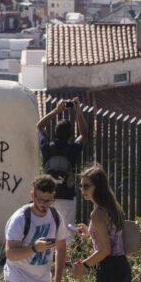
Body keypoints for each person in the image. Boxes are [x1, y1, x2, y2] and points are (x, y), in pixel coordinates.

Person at [3, 175, 68, 282]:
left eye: (48, 200)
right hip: (18, 279)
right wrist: (34, 248)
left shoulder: (55, 217)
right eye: (40, 199)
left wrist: (57, 280)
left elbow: (61, 248)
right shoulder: (20, 219)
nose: (43, 204)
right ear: (32, 195)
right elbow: (10, 254)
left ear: (53, 197)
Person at [72, 164, 131, 282]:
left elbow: (105, 250)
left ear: (98, 187)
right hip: (122, 267)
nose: (83, 190)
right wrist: (90, 233)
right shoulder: (113, 207)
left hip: (109, 270)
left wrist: (83, 265)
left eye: (86, 186)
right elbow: (112, 235)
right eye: (81, 186)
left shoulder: (97, 214)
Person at [36, 98, 88, 236]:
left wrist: (56, 111)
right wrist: (78, 111)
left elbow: (40, 126)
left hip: (49, 194)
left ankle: (50, 255)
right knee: (67, 231)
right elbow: (84, 134)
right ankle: (66, 256)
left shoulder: (47, 148)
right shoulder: (72, 149)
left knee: (48, 230)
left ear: (55, 132)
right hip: (68, 196)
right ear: (71, 135)